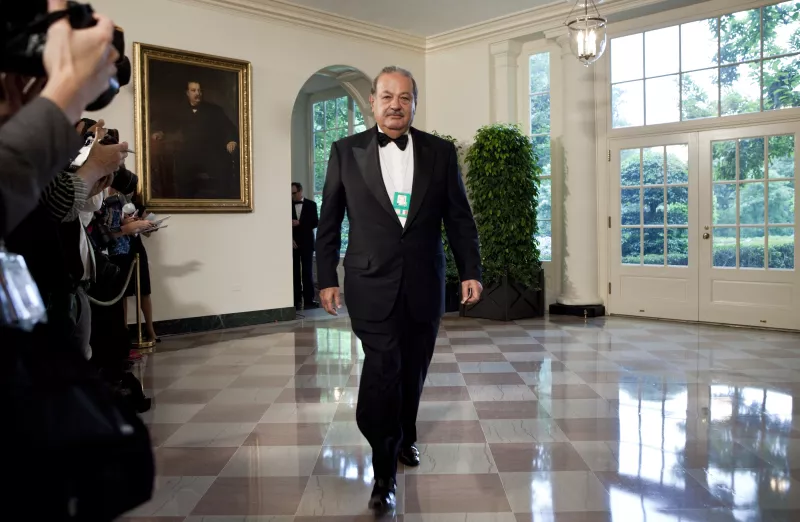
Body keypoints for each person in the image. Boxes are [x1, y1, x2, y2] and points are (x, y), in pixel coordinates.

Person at [315, 66, 483, 514]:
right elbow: (328, 220)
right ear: (372, 101)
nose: (395, 104)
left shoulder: (440, 152)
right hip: (370, 283)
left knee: (414, 370)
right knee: (384, 369)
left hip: (425, 284)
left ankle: (406, 434)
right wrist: (326, 278)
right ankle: (383, 469)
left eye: (404, 97)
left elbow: (459, 219)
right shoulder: (345, 151)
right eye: (387, 96)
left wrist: (471, 270)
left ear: (414, 103)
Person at [151, 80, 239, 199]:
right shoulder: (179, 110)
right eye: (193, 90)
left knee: (223, 172)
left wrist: (231, 140)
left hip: (211, 153)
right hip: (189, 154)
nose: (197, 93)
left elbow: (229, 127)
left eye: (199, 90)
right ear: (187, 93)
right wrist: (160, 132)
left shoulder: (214, 110)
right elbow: (169, 124)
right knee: (181, 175)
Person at [292, 181, 319, 310]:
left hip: (307, 242)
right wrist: (289, 239)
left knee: (307, 272)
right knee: (294, 272)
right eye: (290, 193)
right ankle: (295, 300)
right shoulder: (286, 205)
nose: (292, 196)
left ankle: (309, 300)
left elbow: (315, 222)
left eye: (294, 193)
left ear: (300, 191)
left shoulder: (311, 205)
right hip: (293, 243)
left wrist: (300, 223)